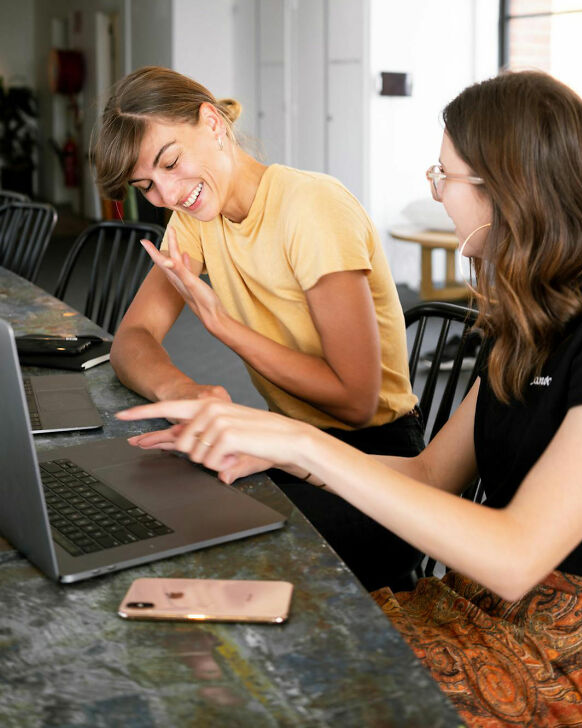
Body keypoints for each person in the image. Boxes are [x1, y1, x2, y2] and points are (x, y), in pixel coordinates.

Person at [117, 70, 582, 726]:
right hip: (471, 610)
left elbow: (515, 557)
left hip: (561, 664)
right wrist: (270, 452)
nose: (438, 193)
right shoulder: (534, 319)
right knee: (211, 642)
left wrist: (296, 440)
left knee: (252, 681)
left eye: (444, 176)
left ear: (509, 185)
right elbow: (428, 474)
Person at [92, 66, 424, 591]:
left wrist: (222, 326)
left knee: (203, 534)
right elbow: (132, 340)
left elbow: (357, 401)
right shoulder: (198, 218)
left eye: (172, 162)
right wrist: (188, 390)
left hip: (376, 469)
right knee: (159, 495)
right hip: (288, 446)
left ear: (212, 122)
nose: (169, 195)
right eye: (146, 186)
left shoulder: (311, 207)